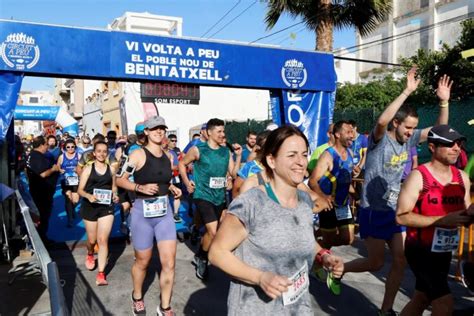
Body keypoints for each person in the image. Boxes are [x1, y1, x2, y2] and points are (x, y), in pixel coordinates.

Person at [343, 68, 453, 316]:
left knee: (400, 262)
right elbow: (381, 121)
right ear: (397, 123)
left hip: (396, 210)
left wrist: (444, 102)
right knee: (376, 262)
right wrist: (407, 90)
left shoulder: (410, 140)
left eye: (414, 128)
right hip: (373, 211)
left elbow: (438, 132)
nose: (411, 132)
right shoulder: (379, 139)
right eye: (407, 127)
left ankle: (386, 310)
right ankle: (340, 268)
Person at [209, 125, 344, 315]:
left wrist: (324, 256)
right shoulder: (252, 202)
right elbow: (217, 253)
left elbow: (304, 239)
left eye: (304, 154)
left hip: (298, 309)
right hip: (255, 309)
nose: (300, 162)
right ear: (271, 160)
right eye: (292, 155)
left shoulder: (305, 201)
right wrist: (260, 277)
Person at [395, 125, 473, 315]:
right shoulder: (419, 177)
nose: (457, 148)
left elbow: (463, 216)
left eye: (459, 143)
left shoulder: (462, 178)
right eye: (449, 144)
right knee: (444, 303)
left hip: (444, 251)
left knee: (421, 298)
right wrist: (442, 220)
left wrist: (469, 216)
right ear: (432, 147)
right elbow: (401, 217)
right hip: (420, 250)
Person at [116, 116, 182, 316]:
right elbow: (119, 179)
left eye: (162, 127)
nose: (159, 131)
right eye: (154, 128)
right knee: (142, 262)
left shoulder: (169, 155)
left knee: (169, 262)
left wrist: (171, 187)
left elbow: (162, 178)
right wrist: (139, 187)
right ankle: (137, 296)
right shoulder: (136, 154)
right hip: (142, 214)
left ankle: (165, 307)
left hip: (164, 214)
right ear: (146, 131)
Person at [179, 118, 242, 280]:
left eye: (223, 131)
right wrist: (187, 182)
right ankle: (204, 258)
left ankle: (200, 254)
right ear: (209, 133)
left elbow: (234, 173)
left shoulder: (225, 152)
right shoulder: (197, 149)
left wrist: (238, 156)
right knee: (214, 232)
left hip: (219, 196)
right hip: (202, 195)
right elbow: (181, 165)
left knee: (209, 231)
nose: (223, 134)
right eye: (219, 131)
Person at [308, 120, 355, 294]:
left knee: (348, 238)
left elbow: (345, 179)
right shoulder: (328, 155)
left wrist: (353, 193)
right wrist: (322, 196)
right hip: (328, 206)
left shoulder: (349, 153)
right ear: (337, 134)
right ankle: (316, 255)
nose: (352, 135)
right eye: (348, 132)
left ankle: (315, 240)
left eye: (352, 132)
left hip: (343, 205)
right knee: (329, 241)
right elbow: (313, 180)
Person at [77, 140, 119, 286]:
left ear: (107, 154)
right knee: (92, 240)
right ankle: (90, 253)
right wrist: (89, 196)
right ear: (94, 153)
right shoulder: (88, 169)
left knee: (102, 240)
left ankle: (101, 274)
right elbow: (80, 190)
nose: (101, 154)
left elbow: (114, 187)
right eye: (99, 151)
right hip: (90, 207)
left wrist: (115, 195)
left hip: (106, 207)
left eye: (104, 151)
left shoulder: (111, 170)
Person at [26, 136, 60, 244]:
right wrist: (53, 169)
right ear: (41, 145)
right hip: (41, 193)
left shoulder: (32, 155)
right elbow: (43, 174)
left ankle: (42, 238)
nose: (48, 146)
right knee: (43, 216)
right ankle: (42, 241)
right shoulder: (37, 157)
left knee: (42, 216)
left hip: (39, 190)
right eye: (46, 144)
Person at [56, 138, 81, 227]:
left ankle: (72, 209)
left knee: (76, 200)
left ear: (75, 147)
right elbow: (58, 165)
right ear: (65, 148)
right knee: (68, 199)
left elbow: (84, 166)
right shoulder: (62, 156)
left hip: (76, 180)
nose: (70, 148)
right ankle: (70, 219)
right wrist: (60, 169)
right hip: (65, 179)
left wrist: (78, 170)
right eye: (68, 147)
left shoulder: (79, 156)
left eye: (72, 147)